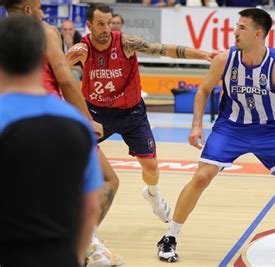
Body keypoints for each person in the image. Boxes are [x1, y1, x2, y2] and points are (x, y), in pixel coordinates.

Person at [157, 8, 275, 262]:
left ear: (258, 34)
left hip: (269, 129)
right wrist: (196, 125)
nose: (234, 32)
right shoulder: (224, 60)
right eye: (236, 27)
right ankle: (170, 235)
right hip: (231, 127)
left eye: (242, 28)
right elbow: (203, 90)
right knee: (201, 177)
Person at [65, 1, 217, 256]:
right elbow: (57, 72)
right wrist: (67, 64)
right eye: (99, 24)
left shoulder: (125, 42)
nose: (106, 28)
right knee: (75, 161)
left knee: (151, 168)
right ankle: (79, 219)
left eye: (109, 22)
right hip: (96, 113)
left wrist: (201, 54)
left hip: (132, 113)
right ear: (88, 25)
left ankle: (153, 194)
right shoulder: (81, 50)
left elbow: (164, 49)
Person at [1, 0, 123, 265]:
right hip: (50, 115)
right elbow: (65, 79)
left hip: (10, 112)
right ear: (27, 9)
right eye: (39, 6)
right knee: (108, 180)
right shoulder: (45, 31)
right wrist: (88, 119)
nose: (43, 11)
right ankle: (89, 244)